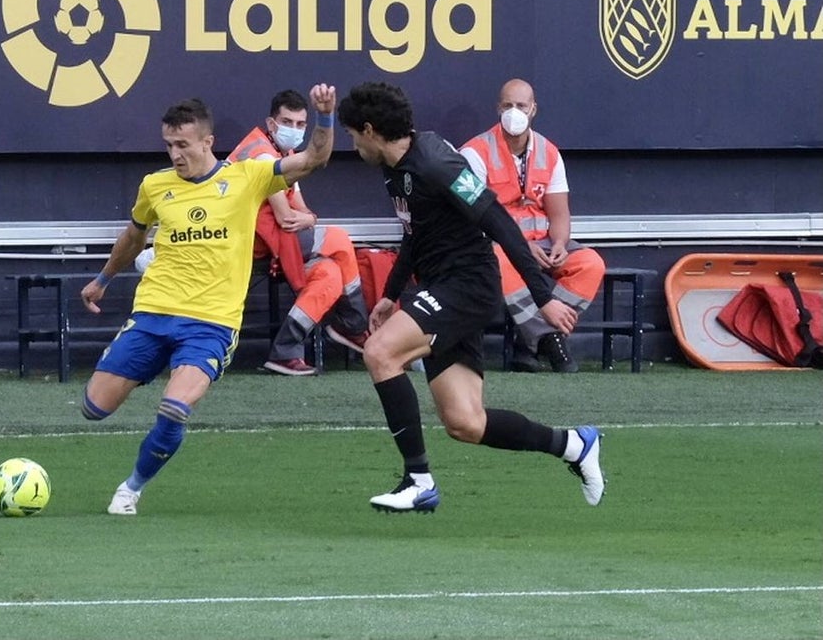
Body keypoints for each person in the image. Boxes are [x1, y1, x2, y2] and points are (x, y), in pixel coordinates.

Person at [336, 81, 605, 513]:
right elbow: (415, 234)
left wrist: (543, 296)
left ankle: (418, 481)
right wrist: (390, 294)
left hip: (468, 286)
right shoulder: (395, 168)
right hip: (441, 286)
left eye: (351, 135)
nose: (352, 145)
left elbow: (499, 221)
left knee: (380, 353)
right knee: (465, 422)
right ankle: (574, 445)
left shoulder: (436, 163)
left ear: (369, 129)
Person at [79, 86, 337, 516]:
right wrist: (103, 280)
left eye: (182, 145)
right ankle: (149, 365)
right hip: (153, 314)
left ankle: (131, 489)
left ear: (207, 142)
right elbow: (133, 236)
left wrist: (325, 116)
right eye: (169, 145)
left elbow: (314, 158)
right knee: (93, 409)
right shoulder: (155, 186)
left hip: (211, 324)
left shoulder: (247, 177)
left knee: (176, 407)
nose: (175, 154)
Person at [460, 78, 606, 373]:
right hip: (501, 244)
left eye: (521, 106)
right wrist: (521, 246)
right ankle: (548, 339)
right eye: (507, 106)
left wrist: (561, 244)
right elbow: (473, 217)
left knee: (591, 263)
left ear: (533, 110)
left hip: (543, 244)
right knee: (498, 258)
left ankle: (528, 343)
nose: (514, 112)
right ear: (498, 109)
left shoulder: (549, 152)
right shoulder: (474, 152)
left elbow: (559, 214)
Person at [226, 89, 370, 376]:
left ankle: (284, 353)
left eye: (300, 124)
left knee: (329, 273)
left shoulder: (286, 152)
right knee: (339, 239)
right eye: (287, 122)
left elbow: (304, 212)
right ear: (271, 123)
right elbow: (287, 217)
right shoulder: (261, 154)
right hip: (242, 244)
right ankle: (354, 327)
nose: (294, 129)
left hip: (272, 243)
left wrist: (309, 218)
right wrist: (308, 219)